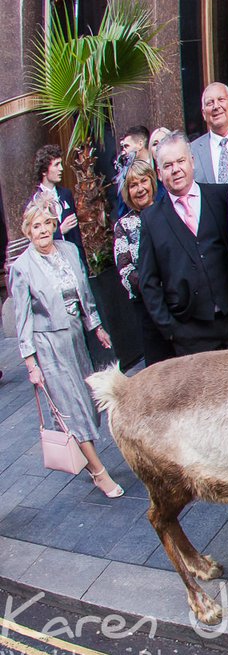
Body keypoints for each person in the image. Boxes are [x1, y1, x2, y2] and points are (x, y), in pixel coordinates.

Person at [11, 199, 123, 498]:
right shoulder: (22, 268)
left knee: (88, 404)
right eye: (36, 226)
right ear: (28, 231)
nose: (43, 230)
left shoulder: (70, 251)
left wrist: (96, 327)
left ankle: (87, 457)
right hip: (48, 345)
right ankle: (99, 472)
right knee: (70, 409)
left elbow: (85, 294)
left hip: (75, 339)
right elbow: (22, 320)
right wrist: (31, 364)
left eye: (47, 223)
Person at [137, 136, 228, 356]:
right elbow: (149, 282)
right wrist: (170, 329)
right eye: (168, 165)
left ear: (192, 161)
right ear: (158, 174)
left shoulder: (221, 196)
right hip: (191, 333)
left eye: (180, 161)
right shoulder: (151, 219)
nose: (176, 170)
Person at [111, 159, 174, 366]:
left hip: (180, 300)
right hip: (149, 309)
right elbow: (125, 271)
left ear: (152, 181)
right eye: (132, 185)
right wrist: (154, 286)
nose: (140, 189)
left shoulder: (170, 211)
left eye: (143, 181)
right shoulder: (123, 226)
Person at [31, 146, 81, 249]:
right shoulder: (35, 202)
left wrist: (82, 263)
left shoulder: (66, 194)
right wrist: (60, 231)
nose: (61, 169)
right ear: (44, 171)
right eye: (56, 165)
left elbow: (76, 235)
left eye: (61, 164)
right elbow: (35, 240)